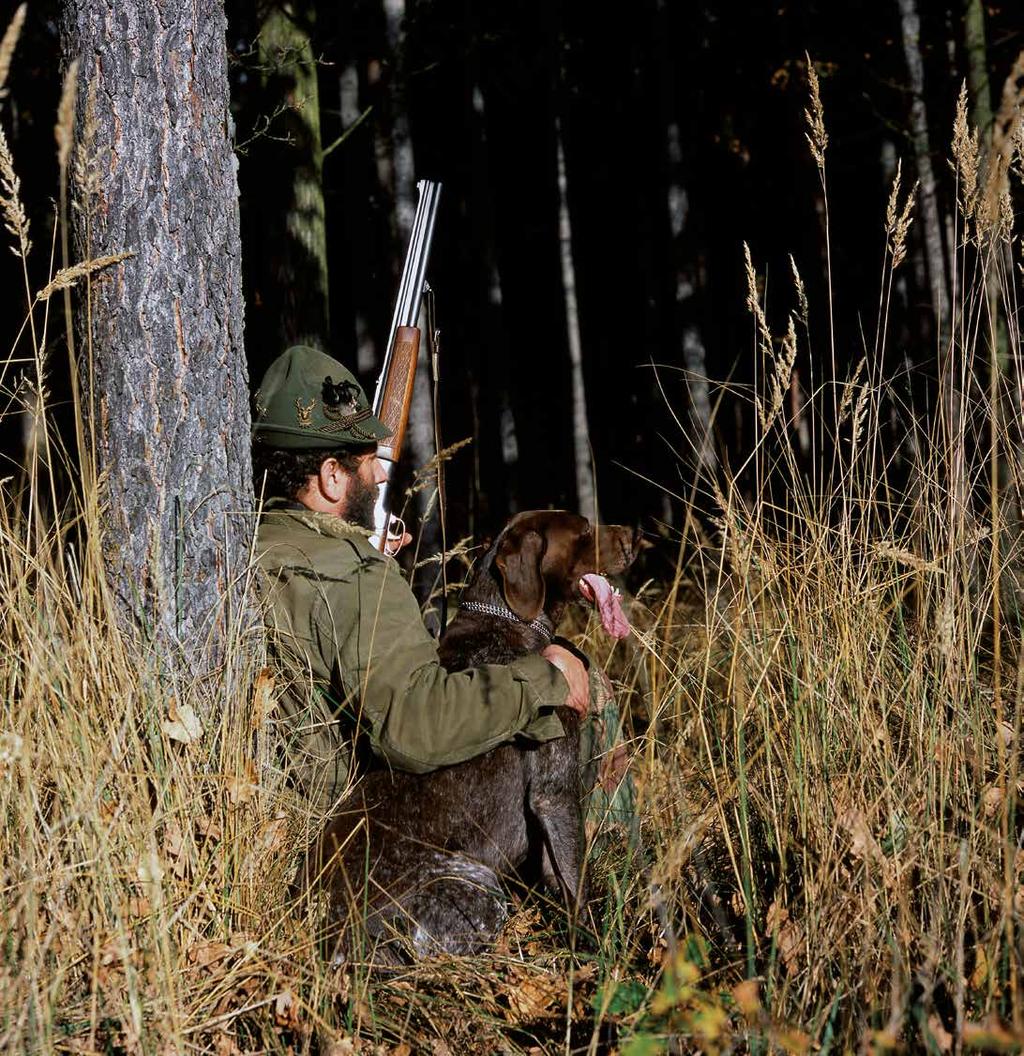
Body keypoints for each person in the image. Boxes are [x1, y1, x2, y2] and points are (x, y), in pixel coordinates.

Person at [252, 346, 590, 814]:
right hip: (348, 841)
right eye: (368, 459)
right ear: (332, 476)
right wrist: (543, 679)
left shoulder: (251, 546)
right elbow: (415, 729)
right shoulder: (356, 577)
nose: (377, 473)